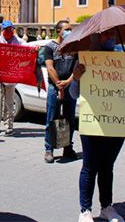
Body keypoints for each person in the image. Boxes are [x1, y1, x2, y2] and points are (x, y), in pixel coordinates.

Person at [70, 30, 125, 222]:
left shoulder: (122, 60)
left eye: (113, 35)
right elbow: (74, 94)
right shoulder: (83, 61)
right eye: (106, 35)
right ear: (95, 38)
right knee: (90, 167)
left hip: (115, 123)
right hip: (93, 123)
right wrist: (75, 78)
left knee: (107, 166)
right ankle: (85, 210)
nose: (111, 38)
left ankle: (107, 207)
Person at [43, 20, 78, 163]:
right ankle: (49, 149)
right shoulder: (50, 47)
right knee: (52, 118)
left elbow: (77, 67)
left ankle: (67, 147)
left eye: (71, 29)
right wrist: (59, 86)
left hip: (70, 87)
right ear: (59, 31)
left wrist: (69, 82)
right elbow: (50, 68)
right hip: (54, 88)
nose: (70, 31)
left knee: (69, 119)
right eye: (67, 29)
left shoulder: (74, 47)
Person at [0, 20, 25, 135]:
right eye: (6, 29)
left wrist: (34, 48)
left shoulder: (18, 41)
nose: (8, 31)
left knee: (9, 102)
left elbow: (26, 48)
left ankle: (8, 125)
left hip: (11, 76)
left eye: (10, 29)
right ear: (2, 30)